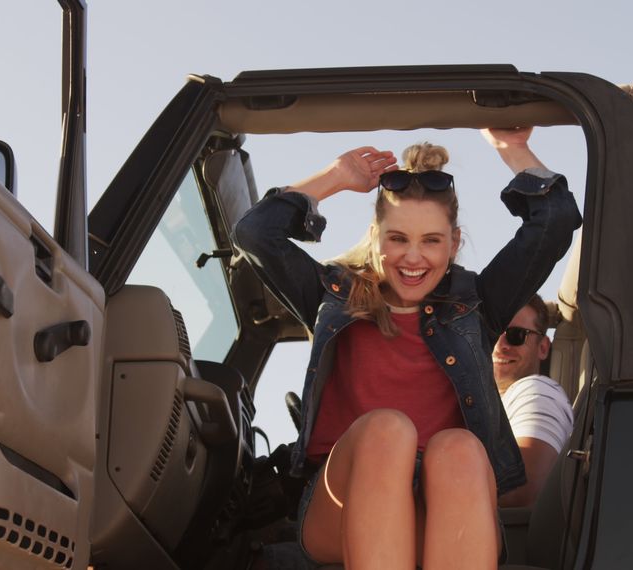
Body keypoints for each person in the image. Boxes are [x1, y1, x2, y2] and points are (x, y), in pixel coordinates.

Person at [232, 127, 580, 568]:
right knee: (388, 429)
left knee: (459, 446)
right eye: (398, 238)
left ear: (453, 244)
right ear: (377, 237)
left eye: (431, 241)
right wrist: (336, 177)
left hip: (444, 510)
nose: (413, 259)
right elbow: (255, 233)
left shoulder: (478, 305)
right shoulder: (334, 296)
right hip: (341, 505)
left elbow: (555, 221)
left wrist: (512, 149)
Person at [492, 294, 575, 508]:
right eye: (491, 331)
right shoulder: (489, 403)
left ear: (543, 348)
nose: (500, 346)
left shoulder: (536, 391)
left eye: (516, 335)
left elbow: (523, 494)